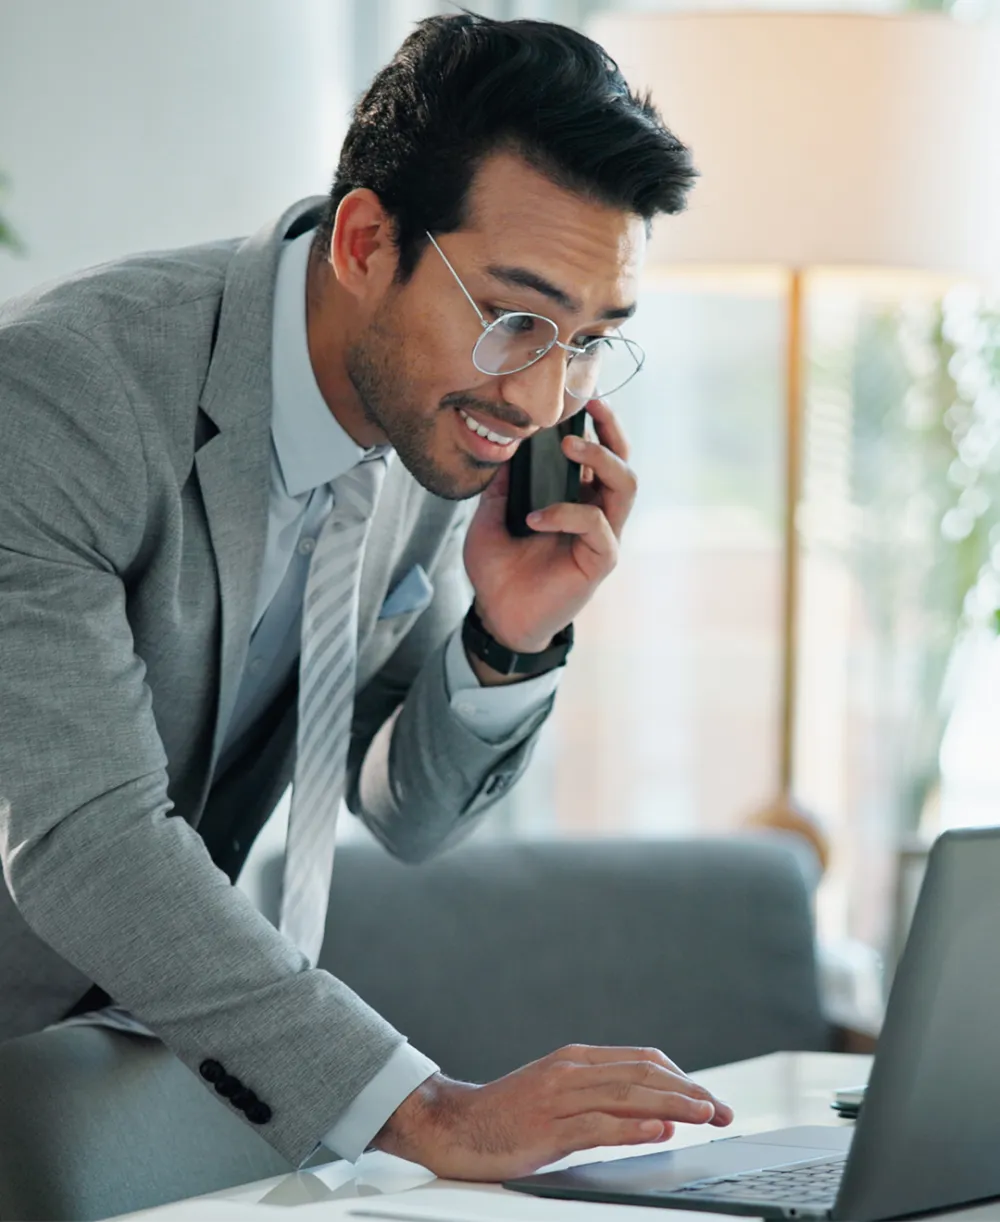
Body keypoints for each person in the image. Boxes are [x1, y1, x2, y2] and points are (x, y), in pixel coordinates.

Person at [0, 12, 733, 1183]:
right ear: (362, 239)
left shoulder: (434, 421)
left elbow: (405, 811)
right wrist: (432, 1108)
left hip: (126, 1058)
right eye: (516, 316)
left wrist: (507, 636)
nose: (546, 395)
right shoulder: (60, 396)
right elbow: (84, 840)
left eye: (591, 340)